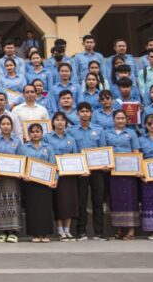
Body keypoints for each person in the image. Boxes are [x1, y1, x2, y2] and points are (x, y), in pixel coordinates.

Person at [69, 103, 106, 240]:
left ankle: (99, 232)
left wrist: (105, 164)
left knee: (98, 201)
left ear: (91, 113)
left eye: (87, 111)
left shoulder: (99, 130)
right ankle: (81, 232)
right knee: (81, 202)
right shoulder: (71, 131)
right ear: (77, 113)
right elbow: (72, 151)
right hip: (81, 171)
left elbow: (103, 150)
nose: (85, 113)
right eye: (82, 111)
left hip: (97, 171)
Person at [105, 109, 139, 241]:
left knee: (130, 199)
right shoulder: (107, 133)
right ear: (113, 119)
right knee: (116, 199)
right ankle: (118, 230)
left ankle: (131, 229)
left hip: (129, 172)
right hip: (113, 172)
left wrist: (137, 168)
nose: (120, 120)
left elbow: (136, 151)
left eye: (123, 118)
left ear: (126, 120)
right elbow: (104, 151)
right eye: (118, 118)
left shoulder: (131, 133)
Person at [44, 112, 79, 241]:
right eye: (57, 120)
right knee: (58, 202)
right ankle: (60, 229)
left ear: (66, 123)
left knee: (69, 202)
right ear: (53, 122)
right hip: (54, 173)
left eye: (62, 120)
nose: (60, 122)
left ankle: (67, 229)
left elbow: (76, 156)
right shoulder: (47, 137)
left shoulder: (71, 138)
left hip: (68, 174)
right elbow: (45, 153)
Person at [19, 123, 55, 243]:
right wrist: (23, 175)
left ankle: (45, 234)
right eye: (33, 131)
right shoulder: (24, 148)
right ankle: (34, 234)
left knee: (45, 208)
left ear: (42, 133)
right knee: (32, 208)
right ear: (29, 134)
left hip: (45, 183)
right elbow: (21, 164)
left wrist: (54, 179)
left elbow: (53, 164)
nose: (35, 134)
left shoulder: (48, 147)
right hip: (30, 183)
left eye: (38, 131)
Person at [0, 115, 22, 243]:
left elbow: (21, 158)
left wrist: (20, 171)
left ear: (12, 126)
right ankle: (3, 231)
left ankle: (14, 231)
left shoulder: (17, 141)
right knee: (0, 202)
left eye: (8, 124)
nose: (6, 126)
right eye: (3, 124)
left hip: (13, 178)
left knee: (13, 201)